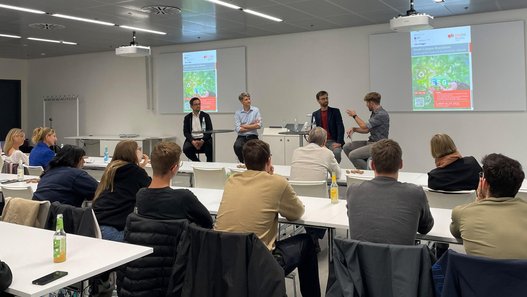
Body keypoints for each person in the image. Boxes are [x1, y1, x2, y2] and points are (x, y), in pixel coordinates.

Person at [215, 139, 321, 297]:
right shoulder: (277, 182)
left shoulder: (232, 180)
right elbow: (296, 213)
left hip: (224, 262)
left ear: (244, 162)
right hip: (259, 265)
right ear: (269, 160)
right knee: (307, 242)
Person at [347, 139, 434, 245]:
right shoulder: (415, 193)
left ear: (372, 165)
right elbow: (425, 228)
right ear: (401, 164)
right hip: (401, 260)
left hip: (360, 261)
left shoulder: (353, 191)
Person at [450, 153, 527, 259]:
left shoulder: (462, 213)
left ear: (484, 183)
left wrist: (478, 202)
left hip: (479, 275)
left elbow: (456, 232)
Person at [135, 141, 213, 228]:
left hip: (145, 241)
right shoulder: (184, 197)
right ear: (174, 168)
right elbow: (208, 222)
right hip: (177, 241)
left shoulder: (140, 196)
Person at [290, 127, 341, 251]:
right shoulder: (327, 153)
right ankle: (314, 236)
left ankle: (310, 236)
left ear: (308, 139)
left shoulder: (296, 151)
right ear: (324, 142)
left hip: (297, 199)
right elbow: (337, 174)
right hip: (320, 202)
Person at [92, 140, 151, 242]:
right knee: (146, 240)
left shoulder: (112, 168)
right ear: (132, 153)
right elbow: (152, 186)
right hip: (112, 228)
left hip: (94, 224)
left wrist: (140, 167)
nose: (141, 151)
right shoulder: (135, 171)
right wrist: (141, 169)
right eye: (139, 149)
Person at [33, 145, 98, 207]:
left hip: (37, 212)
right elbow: (100, 190)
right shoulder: (76, 174)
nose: (84, 162)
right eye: (81, 158)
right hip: (59, 215)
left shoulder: (49, 171)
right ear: (74, 160)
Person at [343, 92, 390, 169]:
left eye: (367, 103)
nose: (366, 105)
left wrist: (354, 116)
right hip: (370, 142)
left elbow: (364, 126)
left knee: (353, 155)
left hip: (379, 145)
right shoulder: (374, 113)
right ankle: (365, 167)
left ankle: (370, 172)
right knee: (347, 147)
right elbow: (367, 130)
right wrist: (354, 129)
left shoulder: (381, 114)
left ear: (371, 103)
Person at [312, 91, 345, 163]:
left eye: (326, 98)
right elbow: (314, 129)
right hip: (321, 142)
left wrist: (339, 142)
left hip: (333, 141)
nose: (326, 100)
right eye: (323, 99)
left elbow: (340, 127)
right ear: (318, 100)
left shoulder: (335, 111)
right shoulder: (315, 114)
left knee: (336, 153)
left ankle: (334, 172)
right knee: (315, 154)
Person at [233, 92, 262, 162]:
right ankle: (243, 162)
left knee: (256, 149)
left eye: (249, 99)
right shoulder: (238, 113)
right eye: (246, 99)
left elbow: (259, 125)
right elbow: (238, 129)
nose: (249, 101)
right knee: (237, 146)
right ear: (241, 101)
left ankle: (253, 164)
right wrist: (252, 126)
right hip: (241, 136)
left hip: (253, 135)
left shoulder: (256, 110)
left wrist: (245, 126)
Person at [183, 97, 214, 162]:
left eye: (199, 104)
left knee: (210, 148)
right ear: (191, 106)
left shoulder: (205, 116)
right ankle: (198, 163)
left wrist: (202, 141)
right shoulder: (187, 117)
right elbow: (186, 132)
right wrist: (192, 141)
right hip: (192, 139)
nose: (198, 106)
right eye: (196, 104)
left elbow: (210, 130)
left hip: (204, 139)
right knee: (186, 149)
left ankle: (209, 167)